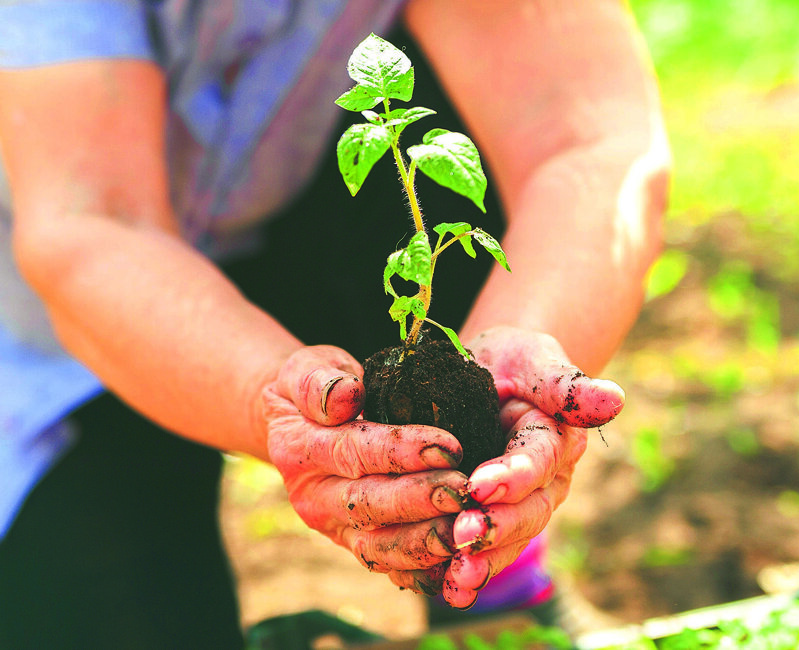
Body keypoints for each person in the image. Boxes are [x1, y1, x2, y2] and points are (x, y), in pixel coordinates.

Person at [0, 0, 669, 647]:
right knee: (97, 610)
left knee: (461, 107)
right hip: (44, 332)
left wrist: (528, 344)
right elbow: (96, 222)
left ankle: (491, 570)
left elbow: (585, 142)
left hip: (284, 225)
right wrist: (273, 400)